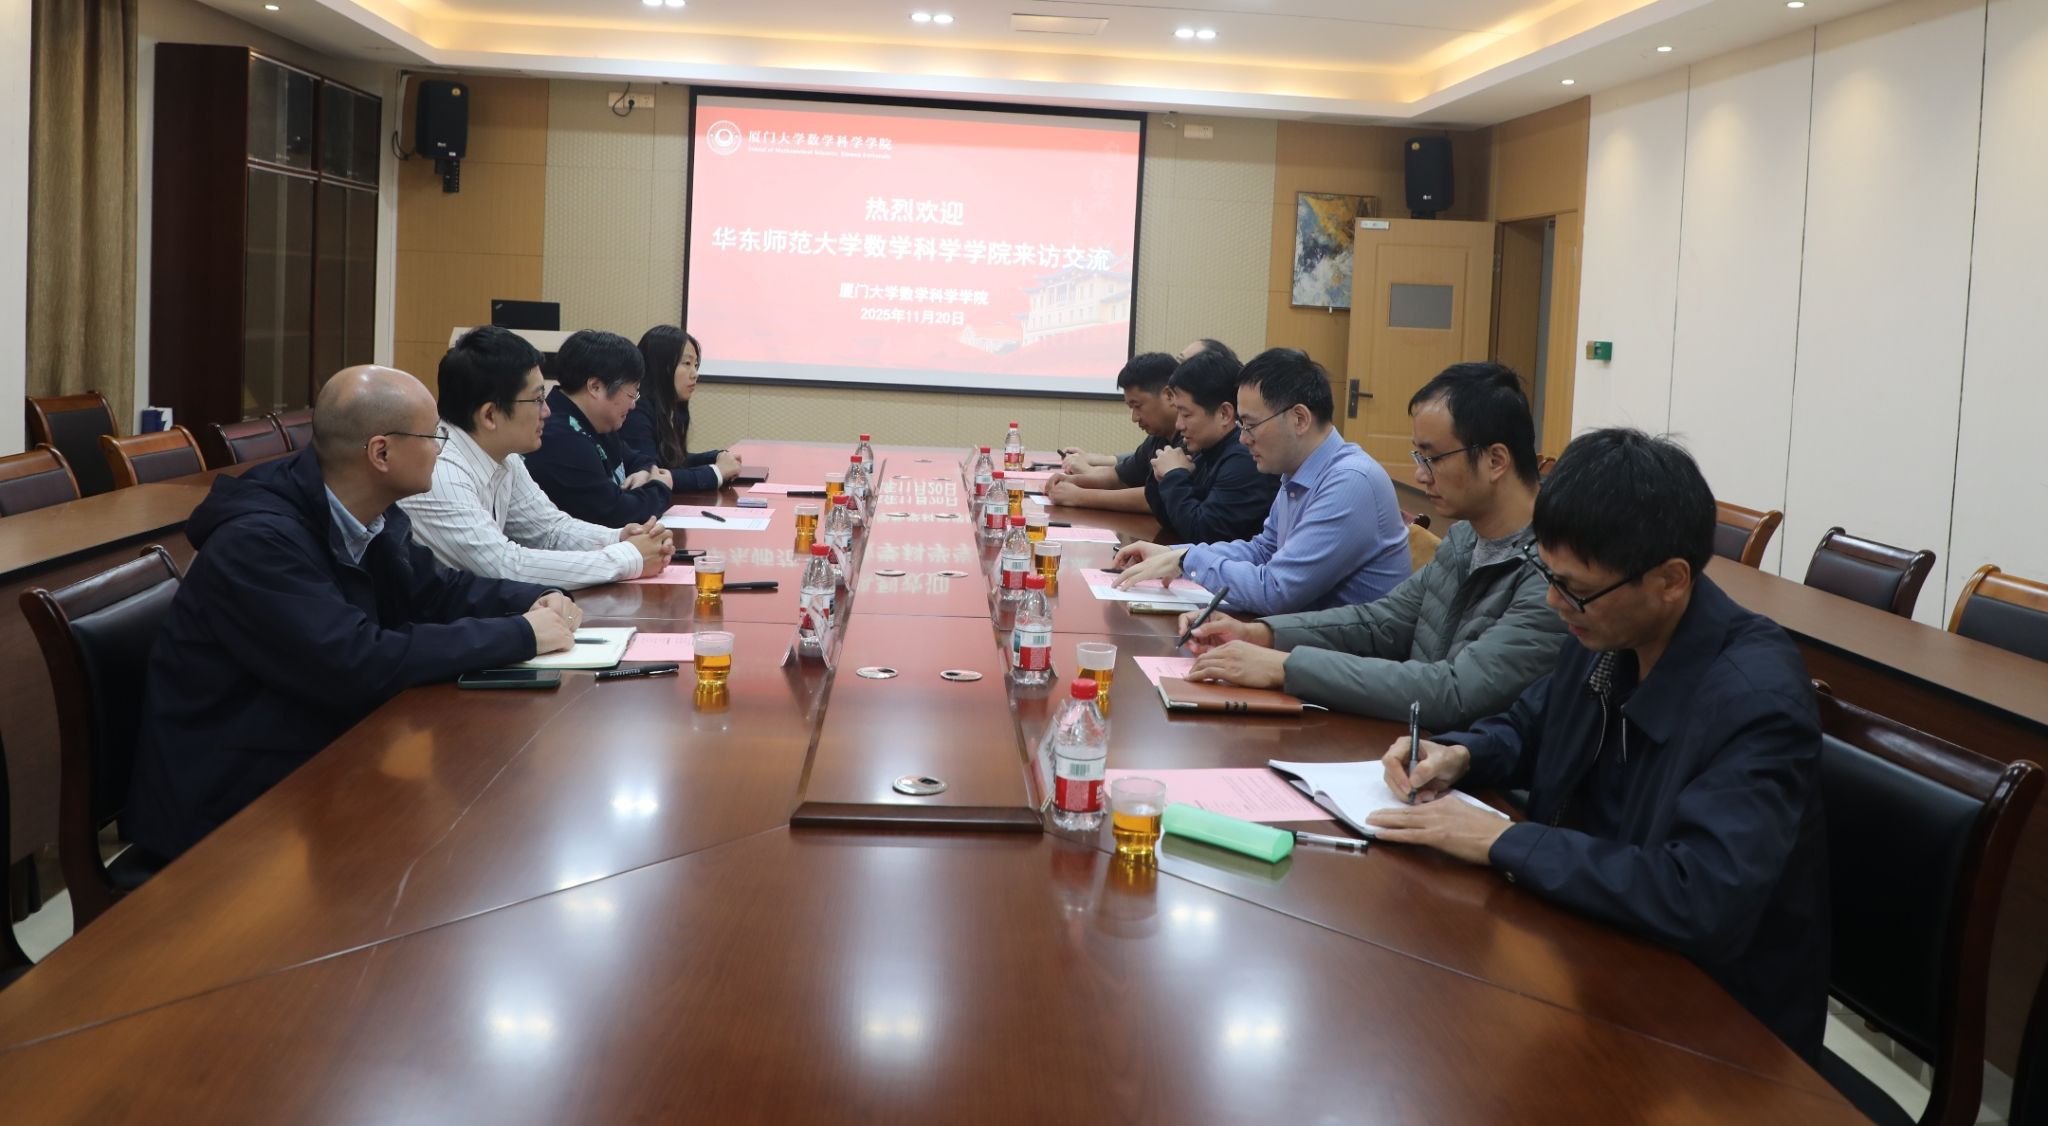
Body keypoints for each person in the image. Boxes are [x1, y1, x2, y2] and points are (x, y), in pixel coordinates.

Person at [1369, 428, 1829, 1058]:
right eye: (1548, 575)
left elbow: (1699, 894)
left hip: (1710, 1028)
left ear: (1671, 579)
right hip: (1587, 947)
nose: (1554, 602)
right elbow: (1532, 724)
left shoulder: (1756, 699)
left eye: (1576, 589)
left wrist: (1503, 839)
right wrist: (1461, 754)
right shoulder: (1610, 630)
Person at [125, 366, 580, 861]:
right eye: (434, 437)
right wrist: (520, 635)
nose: (442, 450)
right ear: (381, 453)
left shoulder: (366, 512)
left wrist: (534, 598)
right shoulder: (258, 543)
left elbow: (437, 591)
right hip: (233, 807)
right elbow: (355, 660)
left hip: (314, 758)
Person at [1182, 362, 1563, 729]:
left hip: (1462, 761)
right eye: (1419, 456)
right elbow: (1382, 622)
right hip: (1413, 739)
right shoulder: (1466, 538)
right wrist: (1261, 634)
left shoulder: (1555, 573)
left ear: (1495, 460)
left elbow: (1454, 691)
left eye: (1433, 457)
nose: (1419, 474)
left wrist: (1284, 667)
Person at [1111, 348, 1408, 615]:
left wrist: (1187, 560)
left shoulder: (1350, 482)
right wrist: (1175, 553)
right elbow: (1264, 550)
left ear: (1299, 419)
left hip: (1342, 653)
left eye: (1251, 425)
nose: (1242, 438)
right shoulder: (1298, 471)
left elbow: (1276, 590)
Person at [400, 326, 673, 589]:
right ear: (490, 415)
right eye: (537, 400)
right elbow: (505, 566)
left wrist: (621, 537)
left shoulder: (504, 457)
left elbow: (549, 530)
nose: (547, 412)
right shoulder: (441, 472)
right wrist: (628, 557)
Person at [523, 329, 674, 525]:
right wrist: (660, 487)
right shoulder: (561, 438)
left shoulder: (598, 423)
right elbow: (614, 513)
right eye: (631, 394)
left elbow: (640, 459)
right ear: (595, 387)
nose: (633, 405)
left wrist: (645, 472)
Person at [1144, 348, 1277, 543]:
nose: (1179, 424)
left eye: (1186, 414)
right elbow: (1171, 521)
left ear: (1224, 414)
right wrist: (1162, 477)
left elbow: (1203, 534)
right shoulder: (1203, 448)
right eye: (1178, 413)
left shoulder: (1245, 459)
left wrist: (1174, 476)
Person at [1051, 338, 1236, 478]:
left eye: (1186, 365)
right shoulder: (1164, 434)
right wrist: (1093, 464)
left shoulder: (1204, 439)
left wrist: (1078, 492)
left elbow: (1159, 500)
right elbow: (1133, 468)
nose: (1177, 373)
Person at [1042, 352, 1179, 514]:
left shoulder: (1192, 438)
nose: (1134, 418)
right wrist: (1073, 481)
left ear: (1168, 396)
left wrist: (1079, 496)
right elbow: (1119, 477)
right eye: (1131, 408)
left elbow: (1157, 499)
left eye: (1138, 406)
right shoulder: (1158, 437)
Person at [619, 325, 742, 491]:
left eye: (696, 365)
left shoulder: (672, 409)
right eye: (687, 363)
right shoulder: (636, 411)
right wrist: (717, 472)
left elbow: (672, 461)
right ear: (660, 365)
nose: (695, 374)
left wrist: (717, 457)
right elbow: (651, 475)